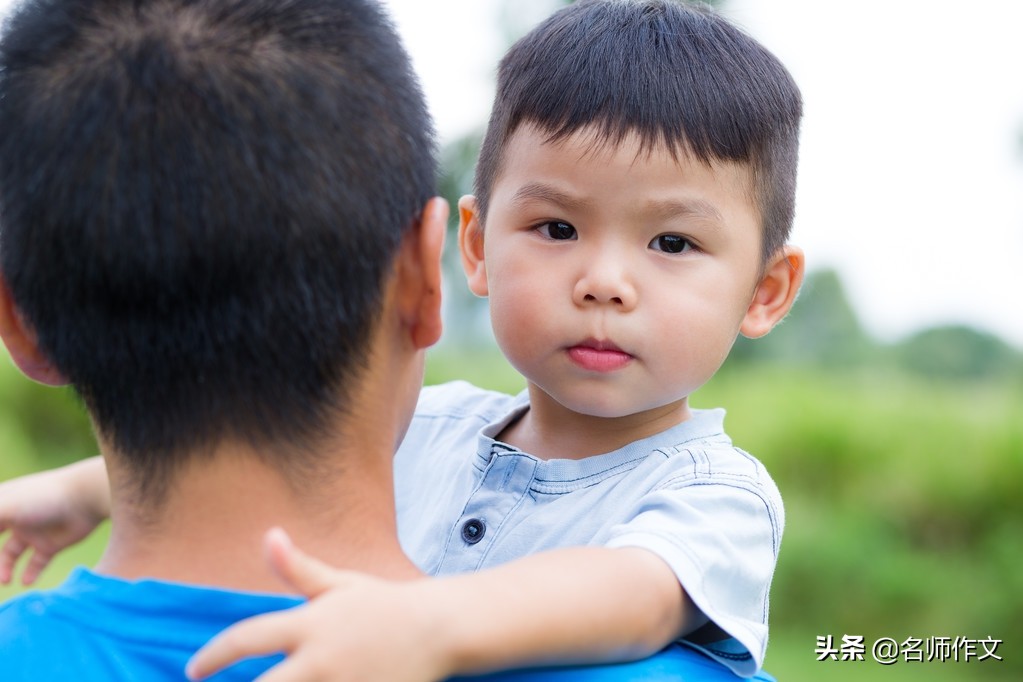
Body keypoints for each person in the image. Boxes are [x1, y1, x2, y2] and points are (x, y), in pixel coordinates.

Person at [0, 0, 803, 679]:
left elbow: (637, 589)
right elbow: (256, 453)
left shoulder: (714, 493)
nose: (604, 282)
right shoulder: (437, 425)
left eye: (671, 244)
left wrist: (429, 626)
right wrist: (77, 492)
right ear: (470, 250)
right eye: (556, 227)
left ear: (764, 292)